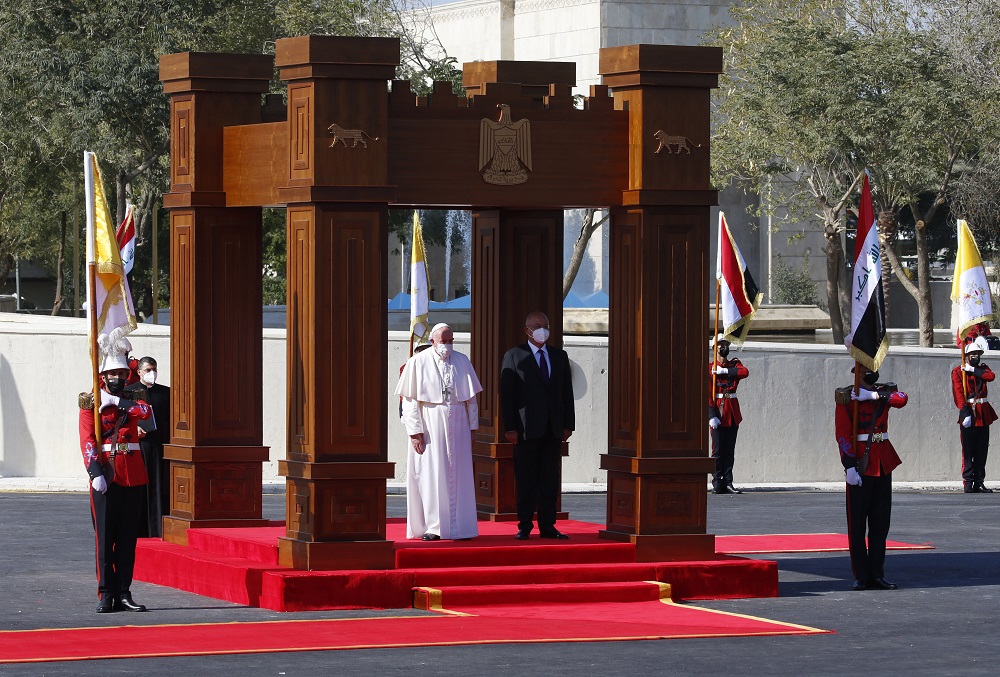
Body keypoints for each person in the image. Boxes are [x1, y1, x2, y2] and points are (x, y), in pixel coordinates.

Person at [79, 336, 152, 612]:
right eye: (112, 374)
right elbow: (87, 440)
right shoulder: (90, 403)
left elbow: (146, 413)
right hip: (106, 476)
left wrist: (117, 402)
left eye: (121, 374)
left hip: (132, 475)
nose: (117, 378)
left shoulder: (133, 401)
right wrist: (94, 471)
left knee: (126, 539)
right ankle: (106, 593)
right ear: (103, 376)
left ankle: (124, 591)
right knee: (104, 538)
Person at [395, 323, 483, 541]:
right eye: (443, 341)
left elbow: (471, 399)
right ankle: (434, 526)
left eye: (451, 340)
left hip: (459, 423)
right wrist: (415, 432)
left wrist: (472, 427)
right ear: (432, 341)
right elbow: (409, 401)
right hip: (430, 422)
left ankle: (461, 527)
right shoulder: (417, 362)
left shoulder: (462, 361)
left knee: (460, 474)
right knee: (431, 474)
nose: (448, 345)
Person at [500, 311, 575, 540]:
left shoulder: (559, 356)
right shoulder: (514, 356)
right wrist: (510, 427)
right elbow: (507, 395)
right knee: (526, 479)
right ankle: (524, 525)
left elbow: (566, 393)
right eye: (537, 325)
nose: (542, 329)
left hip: (553, 429)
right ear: (527, 330)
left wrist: (568, 425)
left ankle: (548, 526)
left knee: (549, 480)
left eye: (545, 325)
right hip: (525, 430)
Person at [834, 365, 908, 591]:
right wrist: (849, 466)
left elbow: (902, 399)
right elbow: (843, 434)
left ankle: (877, 574)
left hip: (883, 462)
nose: (872, 374)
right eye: (867, 372)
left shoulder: (882, 393)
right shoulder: (847, 397)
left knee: (880, 524)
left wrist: (874, 395)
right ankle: (861, 575)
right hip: (861, 464)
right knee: (857, 524)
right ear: (857, 374)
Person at [126, 356, 171, 537]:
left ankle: (159, 528)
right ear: (139, 372)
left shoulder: (166, 393)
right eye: (148, 370)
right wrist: (133, 428)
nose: (152, 373)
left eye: (154, 369)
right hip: (138, 447)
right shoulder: (128, 392)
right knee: (139, 488)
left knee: (159, 487)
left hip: (159, 447)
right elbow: (122, 419)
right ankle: (139, 528)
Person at [951, 335, 996, 493]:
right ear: (967, 356)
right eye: (972, 354)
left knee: (982, 449)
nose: (975, 357)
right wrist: (965, 413)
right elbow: (958, 394)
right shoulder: (958, 372)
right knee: (968, 450)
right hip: (969, 412)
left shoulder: (982, 369)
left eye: (978, 354)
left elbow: (991, 376)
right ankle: (968, 481)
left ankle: (979, 481)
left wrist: (973, 370)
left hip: (983, 413)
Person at [708, 334, 749, 495]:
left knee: (729, 449)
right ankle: (717, 482)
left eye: (725, 344)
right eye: (720, 344)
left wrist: (725, 370)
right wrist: (711, 415)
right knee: (717, 450)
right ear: (714, 348)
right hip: (718, 410)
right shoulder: (709, 367)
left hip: (731, 411)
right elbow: (706, 394)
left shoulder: (734, 364)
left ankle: (728, 482)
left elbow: (744, 372)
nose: (724, 347)